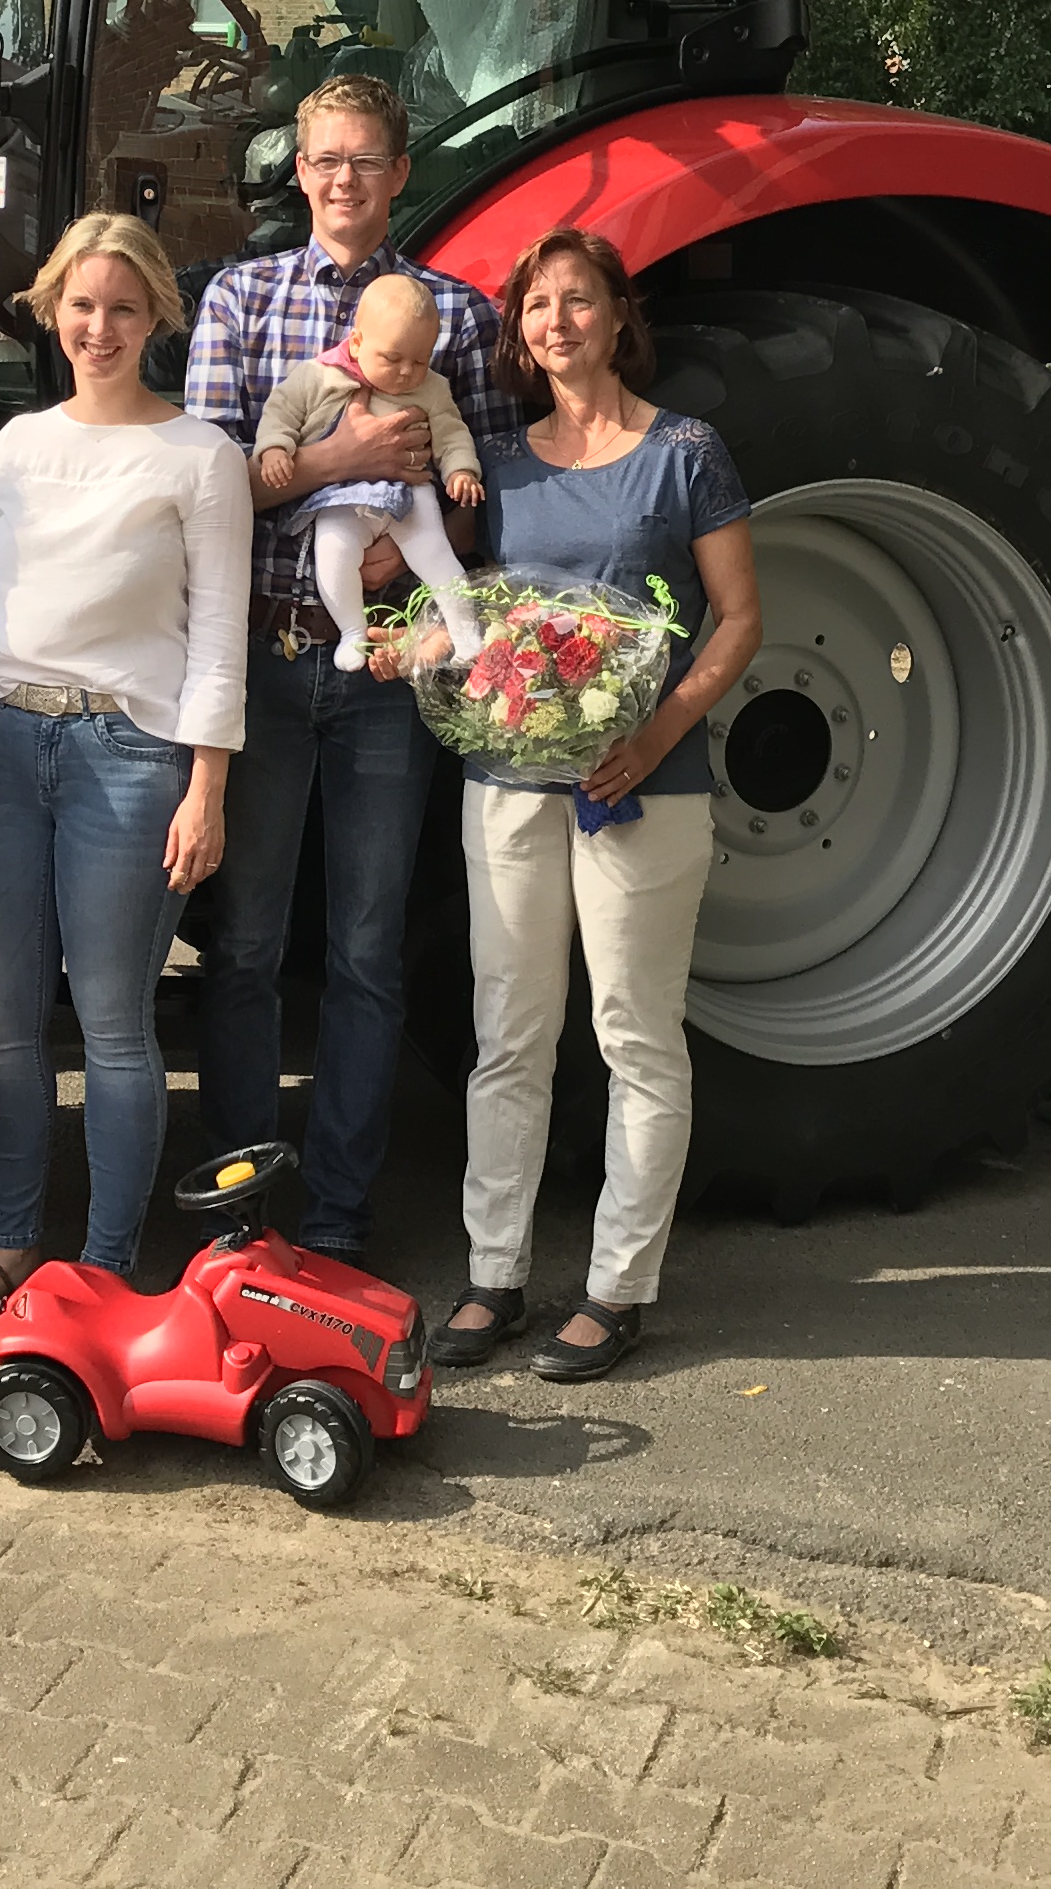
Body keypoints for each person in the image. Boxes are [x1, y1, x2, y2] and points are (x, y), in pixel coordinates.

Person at [180, 73, 504, 1259]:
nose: (345, 180)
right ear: (300, 171)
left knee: (369, 951)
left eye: (367, 160)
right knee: (247, 945)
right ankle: (235, 1211)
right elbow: (213, 489)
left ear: (400, 174)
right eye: (326, 159)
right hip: (268, 659)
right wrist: (340, 459)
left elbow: (484, 506)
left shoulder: (457, 317)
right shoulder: (243, 299)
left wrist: (413, 541)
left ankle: (338, 1218)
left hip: (387, 679)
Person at [430, 225, 760, 1383]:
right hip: (512, 789)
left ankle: (619, 1288)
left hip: (645, 790)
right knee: (509, 1036)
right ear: (518, 333)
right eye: (536, 308)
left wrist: (656, 732)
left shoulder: (685, 453)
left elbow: (739, 619)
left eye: (577, 301)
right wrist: (413, 643)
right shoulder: (500, 465)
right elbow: (467, 609)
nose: (557, 323)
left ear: (620, 316)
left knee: (633, 1035)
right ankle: (494, 1275)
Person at [0, 213, 254, 1336]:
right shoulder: (20, 445)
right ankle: (13, 1246)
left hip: (131, 757)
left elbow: (218, 632)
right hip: (11, 744)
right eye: (82, 305)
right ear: (51, 311)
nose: (100, 327)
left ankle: (106, 1272)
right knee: (7, 1025)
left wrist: (206, 784)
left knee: (115, 1025)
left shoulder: (202, 457)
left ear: (156, 314)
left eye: (123, 307)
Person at [252, 271, 486, 669]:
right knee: (332, 554)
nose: (406, 372)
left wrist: (460, 470)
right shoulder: (318, 375)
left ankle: (467, 634)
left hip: (411, 494)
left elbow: (451, 431)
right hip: (342, 498)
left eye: (420, 360)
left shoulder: (431, 388)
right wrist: (274, 448)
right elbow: (281, 412)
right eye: (392, 358)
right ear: (357, 342)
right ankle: (353, 632)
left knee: (436, 556)